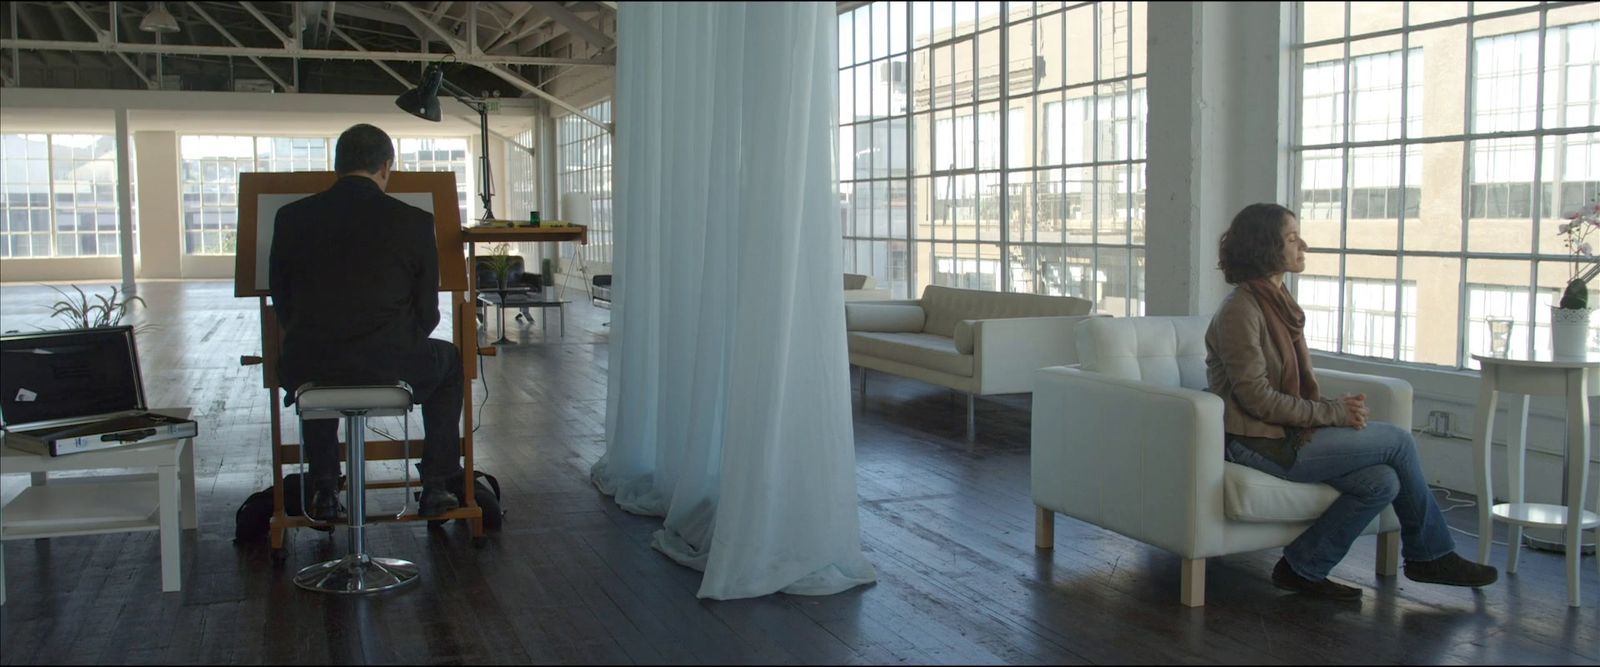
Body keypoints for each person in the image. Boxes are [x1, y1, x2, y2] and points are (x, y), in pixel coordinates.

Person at [1205, 202, 1497, 600]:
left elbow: (1287, 389)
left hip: (1285, 434)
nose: (1303, 245)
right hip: (1257, 444)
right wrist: (1331, 414)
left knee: (1382, 482)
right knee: (1398, 440)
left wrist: (1333, 409)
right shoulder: (1241, 311)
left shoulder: (1277, 302)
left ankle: (1302, 567)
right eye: (1292, 238)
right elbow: (1257, 399)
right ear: (1265, 247)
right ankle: (1430, 555)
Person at [269, 123, 463, 521]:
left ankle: (323, 487)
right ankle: (438, 485)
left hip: (310, 369)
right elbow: (428, 311)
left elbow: (282, 303)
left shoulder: (290, 218)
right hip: (392, 365)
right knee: (452, 362)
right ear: (386, 167)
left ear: (336, 166)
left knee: (318, 358)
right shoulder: (414, 221)